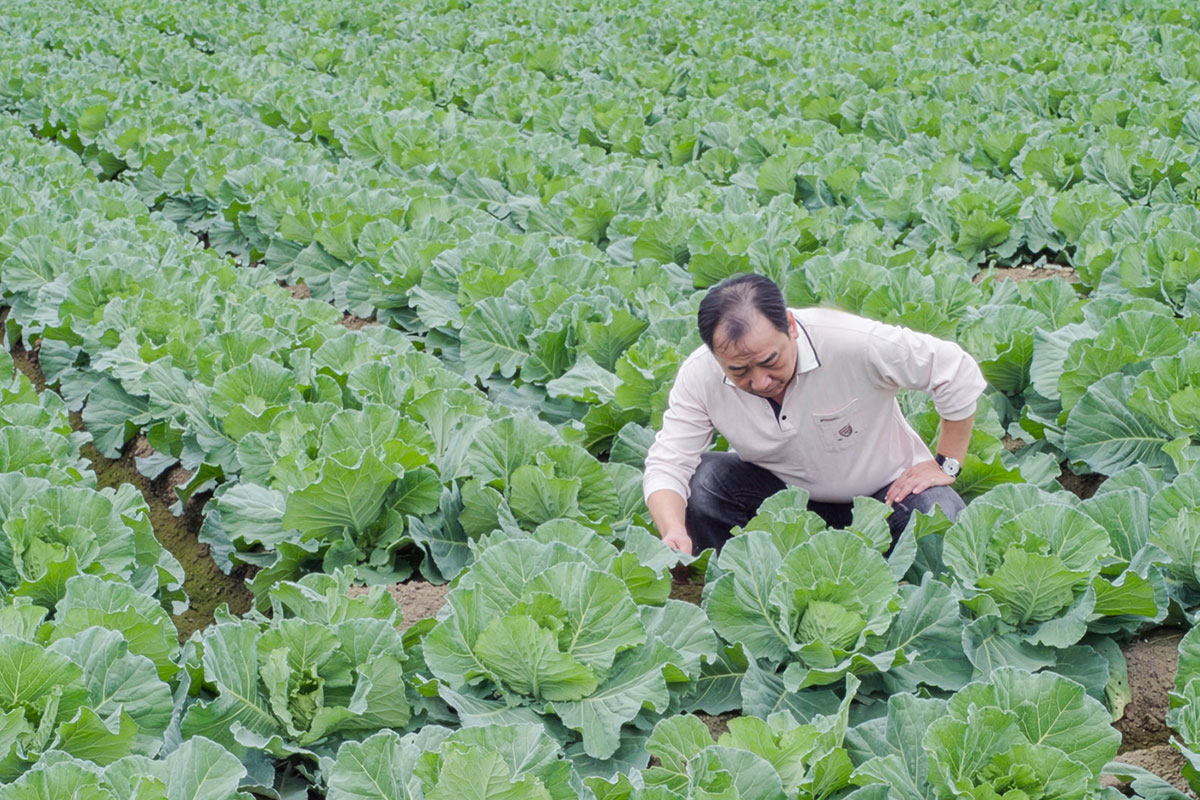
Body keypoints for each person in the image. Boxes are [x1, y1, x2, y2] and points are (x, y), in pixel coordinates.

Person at [643, 273, 987, 555]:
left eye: (770, 361)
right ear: (715, 356)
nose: (760, 381)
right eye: (739, 371)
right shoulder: (700, 375)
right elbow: (668, 462)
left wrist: (946, 463)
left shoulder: (850, 342)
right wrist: (674, 527)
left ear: (791, 325)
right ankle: (743, 581)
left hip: (885, 498)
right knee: (704, 484)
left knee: (941, 514)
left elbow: (955, 371)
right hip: (782, 508)